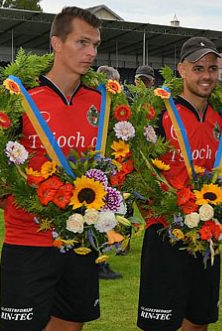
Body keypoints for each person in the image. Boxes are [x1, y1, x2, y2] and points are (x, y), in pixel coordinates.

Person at [0, 6, 105, 331]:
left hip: (80, 238)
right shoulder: (21, 98)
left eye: (95, 45)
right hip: (28, 240)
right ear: (56, 43)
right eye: (82, 43)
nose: (91, 52)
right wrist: (13, 201)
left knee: (71, 324)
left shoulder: (101, 102)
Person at [138, 36, 222, 331]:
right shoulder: (160, 114)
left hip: (208, 232)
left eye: (212, 68)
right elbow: (138, 171)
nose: (206, 76)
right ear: (182, 70)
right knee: (161, 325)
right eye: (198, 68)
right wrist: (157, 215)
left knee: (199, 321)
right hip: (166, 233)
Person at [94, 64, 124, 281]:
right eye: (117, 82)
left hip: (99, 166)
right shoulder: (104, 106)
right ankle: (100, 263)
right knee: (104, 216)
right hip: (100, 169)